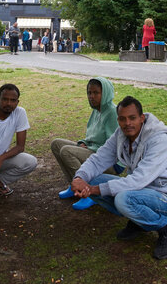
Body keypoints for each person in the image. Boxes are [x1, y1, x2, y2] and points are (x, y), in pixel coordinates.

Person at [71, 96, 167, 260]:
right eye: (122, 119)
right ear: (117, 119)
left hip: (165, 197)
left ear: (142, 118)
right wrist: (80, 178)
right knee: (93, 180)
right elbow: (99, 158)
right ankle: (140, 222)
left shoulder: (158, 140)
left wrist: (94, 190)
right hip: (140, 191)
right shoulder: (121, 134)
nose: (127, 123)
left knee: (123, 199)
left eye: (132, 118)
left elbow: (139, 179)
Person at [51, 77, 119, 210]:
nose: (91, 96)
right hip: (94, 150)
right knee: (56, 144)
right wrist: (84, 143)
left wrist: (90, 147)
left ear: (105, 93)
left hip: (110, 161)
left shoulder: (112, 112)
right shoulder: (96, 110)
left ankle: (87, 193)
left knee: (66, 151)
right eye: (89, 93)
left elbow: (113, 146)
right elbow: (93, 136)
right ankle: (73, 185)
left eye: (96, 93)